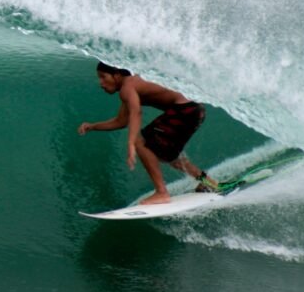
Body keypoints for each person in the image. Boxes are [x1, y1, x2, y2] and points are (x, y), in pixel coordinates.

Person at [77, 62, 217, 204]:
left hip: (185, 109)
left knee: (141, 141)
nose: (101, 83)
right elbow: (121, 121)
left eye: (103, 77)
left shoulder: (128, 87)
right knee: (169, 155)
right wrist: (93, 126)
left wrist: (132, 143)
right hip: (194, 110)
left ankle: (162, 193)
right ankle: (209, 182)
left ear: (117, 75)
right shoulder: (130, 88)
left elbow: (136, 113)